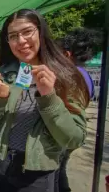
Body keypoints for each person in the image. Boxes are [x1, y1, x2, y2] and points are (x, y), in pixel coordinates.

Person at [0, 9, 90, 192]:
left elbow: (74, 139)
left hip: (36, 173)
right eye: (13, 36)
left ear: (41, 31)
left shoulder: (66, 77)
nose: (21, 41)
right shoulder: (0, 75)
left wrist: (49, 97)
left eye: (27, 31)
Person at [55, 27, 101, 192]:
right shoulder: (86, 75)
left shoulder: (70, 76)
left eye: (57, 54)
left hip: (63, 132)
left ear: (67, 55)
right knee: (60, 170)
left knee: (55, 174)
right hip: (73, 130)